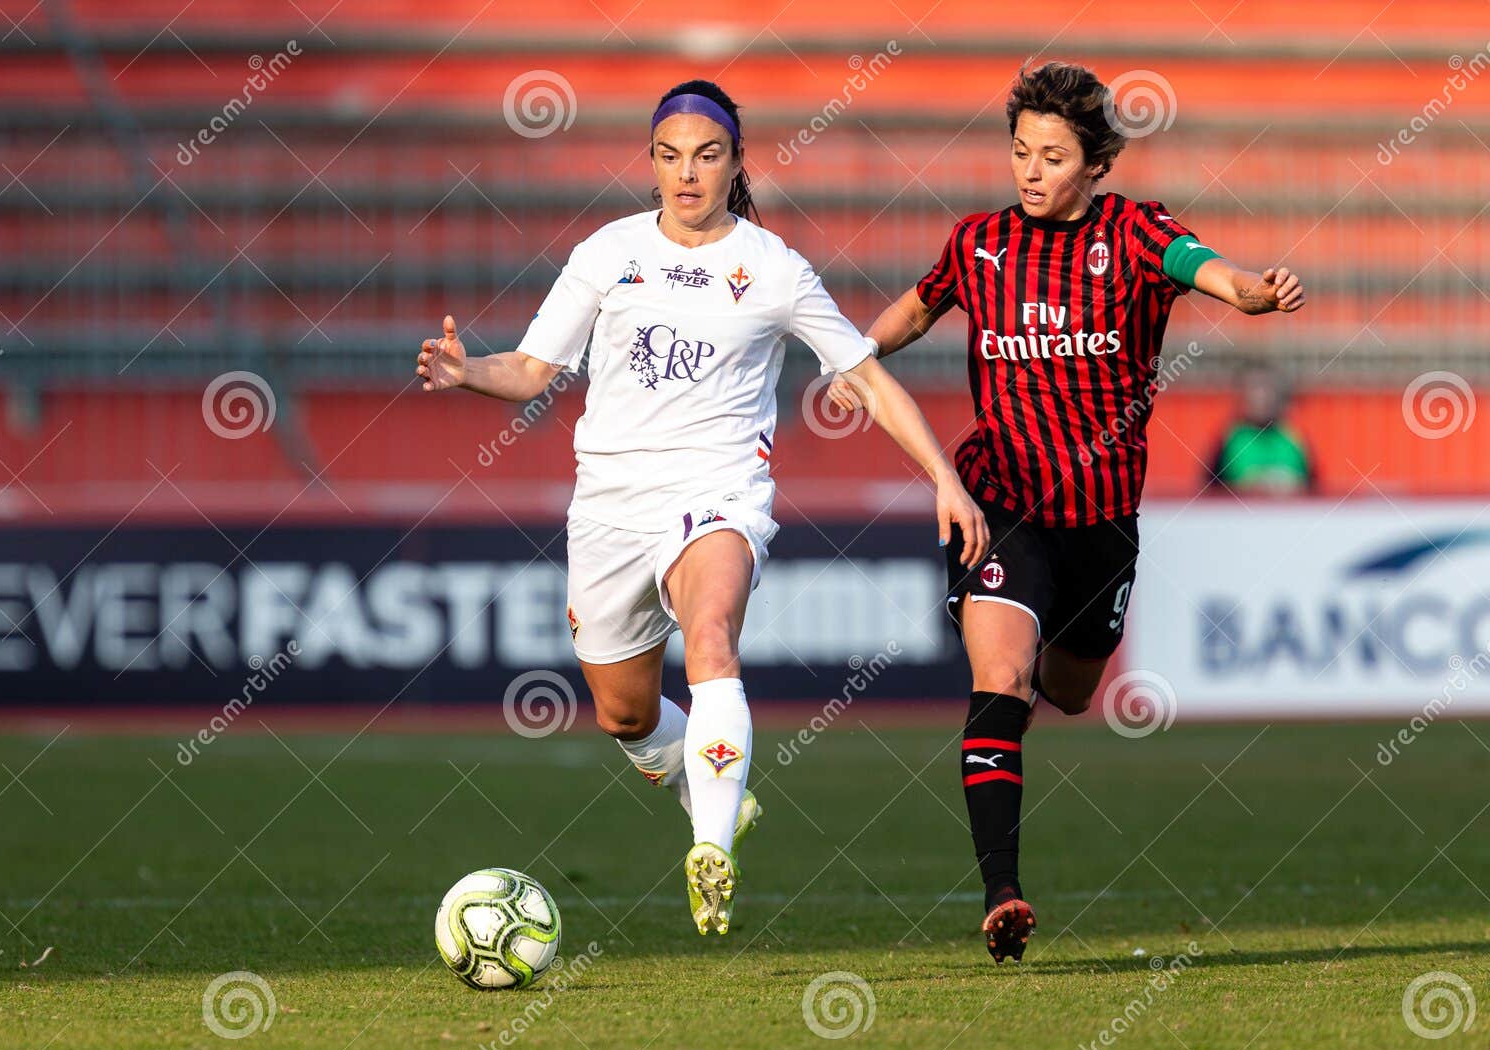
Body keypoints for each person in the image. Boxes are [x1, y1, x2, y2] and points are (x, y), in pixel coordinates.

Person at [417, 79, 989, 937]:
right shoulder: (608, 253)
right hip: (610, 504)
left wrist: (944, 476)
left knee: (712, 634)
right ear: (651, 162)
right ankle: (711, 787)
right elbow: (534, 371)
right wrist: (468, 372)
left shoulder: (773, 268)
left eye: (707, 155)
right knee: (624, 713)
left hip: (717, 491)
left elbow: (866, 376)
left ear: (735, 163)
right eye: (670, 156)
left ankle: (710, 844)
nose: (687, 174)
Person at [828, 61, 1305, 962]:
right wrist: (847, 353)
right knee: (999, 685)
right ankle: (1002, 891)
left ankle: (1050, 657)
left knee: (1073, 690)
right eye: (1020, 151)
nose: (1032, 170)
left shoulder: (1133, 234)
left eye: (1053, 155)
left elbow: (1209, 273)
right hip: (997, 504)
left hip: (1101, 523)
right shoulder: (978, 244)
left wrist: (1255, 290)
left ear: (1096, 165)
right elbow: (912, 313)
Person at [1205, 362, 1314, 494]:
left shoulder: (1295, 437)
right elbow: (1210, 493)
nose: (1261, 397)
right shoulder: (1230, 439)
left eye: (1267, 389)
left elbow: (1313, 491)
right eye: (1254, 389)